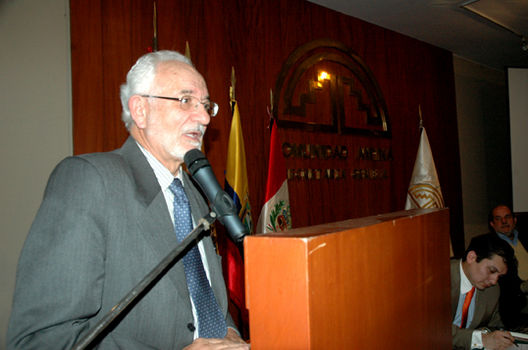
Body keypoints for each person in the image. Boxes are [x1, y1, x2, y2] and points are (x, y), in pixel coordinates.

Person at [7, 50, 249, 349]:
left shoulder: (195, 194)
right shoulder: (89, 180)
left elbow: (204, 296)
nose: (202, 118)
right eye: (186, 101)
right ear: (140, 110)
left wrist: (229, 332)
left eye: (205, 105)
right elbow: (41, 340)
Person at [451, 233, 516, 350]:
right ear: (471, 257)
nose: (494, 281)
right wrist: (481, 339)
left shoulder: (492, 290)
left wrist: (501, 338)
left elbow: (494, 325)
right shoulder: (437, 279)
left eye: (499, 276)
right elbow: (432, 329)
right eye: (492, 271)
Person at [489, 204, 528, 329]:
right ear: (492, 224)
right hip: (515, 303)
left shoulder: (526, 238)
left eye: (507, 217)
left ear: (515, 220)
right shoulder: (488, 245)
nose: (504, 221)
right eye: (498, 218)